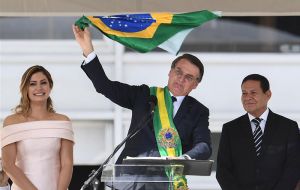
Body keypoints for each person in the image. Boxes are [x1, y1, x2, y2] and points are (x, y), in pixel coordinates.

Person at [73, 25, 212, 189]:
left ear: (195, 84)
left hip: (164, 183)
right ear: (170, 72)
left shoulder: (198, 111)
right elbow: (105, 86)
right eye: (178, 72)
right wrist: (88, 50)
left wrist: (184, 159)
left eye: (188, 77)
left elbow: (204, 146)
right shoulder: (144, 95)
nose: (181, 79)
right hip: (128, 181)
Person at [216, 74, 300, 190]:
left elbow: (293, 168)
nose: (247, 97)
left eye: (253, 93)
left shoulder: (289, 127)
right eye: (244, 93)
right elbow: (223, 170)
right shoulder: (230, 129)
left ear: (268, 94)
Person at [1, 65, 74, 190]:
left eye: (43, 83)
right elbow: (8, 165)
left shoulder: (63, 121)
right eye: (33, 84)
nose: (39, 88)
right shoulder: (11, 122)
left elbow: (67, 164)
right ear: (25, 88)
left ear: (50, 86)